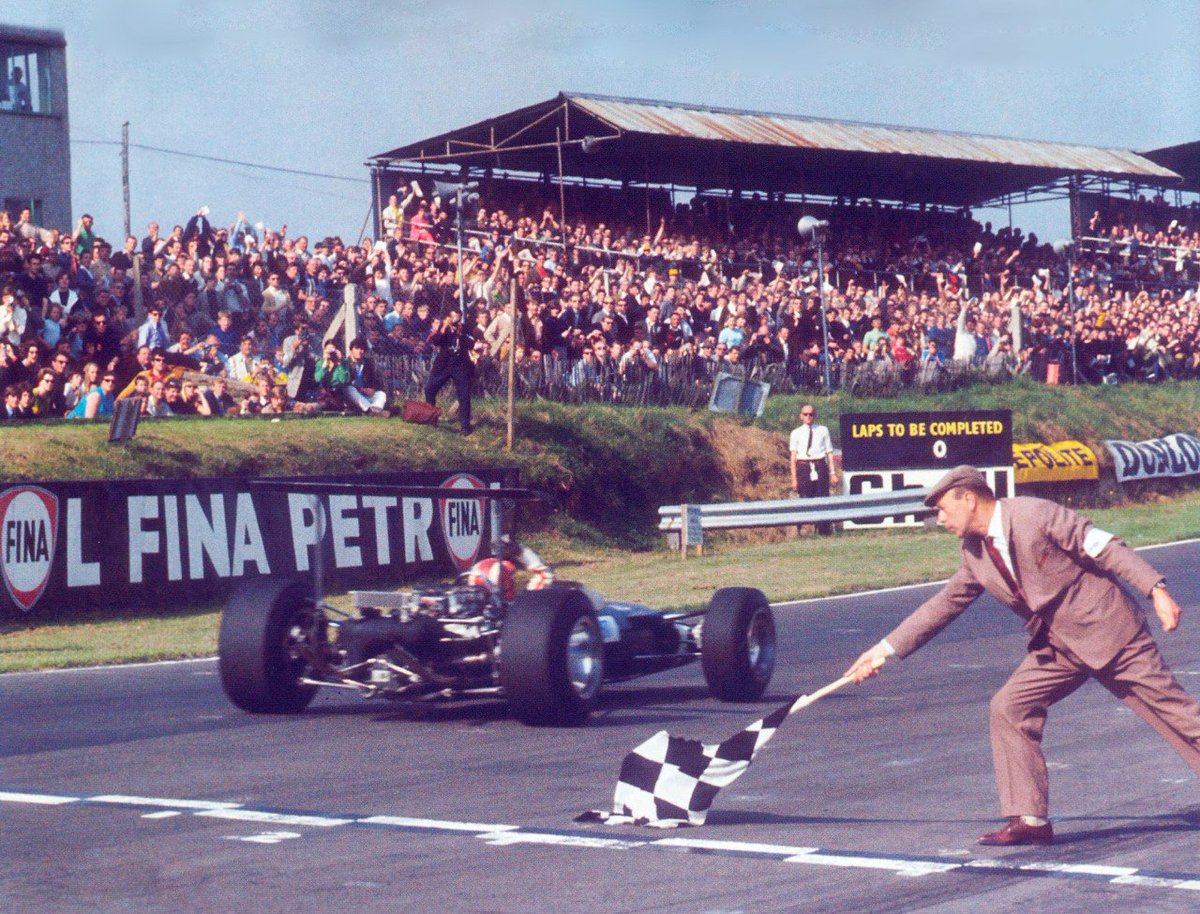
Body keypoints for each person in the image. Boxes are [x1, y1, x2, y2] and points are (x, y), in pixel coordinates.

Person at [846, 465, 1198, 847]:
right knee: (1009, 706)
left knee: (1176, 714)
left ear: (969, 497)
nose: (940, 519)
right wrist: (883, 650)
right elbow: (943, 606)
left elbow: (1102, 545)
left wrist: (1155, 589)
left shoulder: (1034, 514)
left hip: (1110, 630)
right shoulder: (974, 554)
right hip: (1058, 646)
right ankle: (1030, 818)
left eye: (944, 509)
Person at [424, 306, 477, 435]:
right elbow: (435, 341)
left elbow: (472, 342)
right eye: (453, 317)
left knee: (464, 394)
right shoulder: (444, 329)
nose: (455, 320)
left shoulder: (464, 328)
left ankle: (465, 425)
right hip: (444, 364)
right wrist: (444, 327)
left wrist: (461, 334)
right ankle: (431, 418)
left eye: (457, 317)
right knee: (430, 389)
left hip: (460, 364)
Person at [789, 403, 838, 534]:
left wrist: (833, 473)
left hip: (820, 466)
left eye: (811, 414)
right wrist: (794, 478)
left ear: (815, 416)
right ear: (801, 416)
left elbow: (829, 452)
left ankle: (824, 530)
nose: (808, 417)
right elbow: (793, 457)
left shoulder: (823, 430)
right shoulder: (796, 433)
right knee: (805, 498)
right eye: (805, 414)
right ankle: (805, 530)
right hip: (804, 467)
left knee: (823, 497)